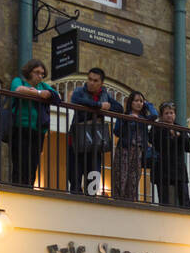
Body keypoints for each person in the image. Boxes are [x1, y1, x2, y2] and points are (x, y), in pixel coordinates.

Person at [67, 67, 123, 195]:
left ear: (101, 83)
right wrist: (99, 106)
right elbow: (76, 100)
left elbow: (119, 108)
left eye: (95, 80)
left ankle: (91, 199)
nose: (91, 83)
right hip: (77, 139)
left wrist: (107, 107)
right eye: (90, 79)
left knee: (93, 175)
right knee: (75, 175)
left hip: (95, 141)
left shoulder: (104, 95)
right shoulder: (80, 91)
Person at [8, 58, 56, 187]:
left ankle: (29, 187)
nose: (40, 76)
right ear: (29, 71)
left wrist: (43, 93)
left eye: (42, 73)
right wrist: (40, 93)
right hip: (20, 128)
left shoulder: (43, 85)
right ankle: (18, 188)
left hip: (38, 130)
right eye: (37, 72)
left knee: (33, 163)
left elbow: (56, 96)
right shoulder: (19, 81)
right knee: (19, 161)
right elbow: (18, 90)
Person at [112, 90, 156, 201]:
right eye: (136, 101)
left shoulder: (144, 118)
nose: (139, 103)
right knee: (121, 176)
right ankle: (118, 200)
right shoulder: (124, 115)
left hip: (139, 151)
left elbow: (154, 115)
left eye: (141, 101)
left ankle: (131, 202)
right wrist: (128, 120)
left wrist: (148, 104)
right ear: (131, 102)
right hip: (125, 149)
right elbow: (116, 131)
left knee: (134, 178)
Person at [148, 101, 190, 208]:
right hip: (163, 167)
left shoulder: (180, 128)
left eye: (171, 113)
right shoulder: (156, 127)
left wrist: (179, 136)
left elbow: (189, 147)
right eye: (167, 113)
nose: (169, 115)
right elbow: (157, 144)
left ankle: (187, 215)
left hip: (178, 167)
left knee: (184, 198)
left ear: (175, 115)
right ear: (162, 115)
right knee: (164, 200)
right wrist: (168, 135)